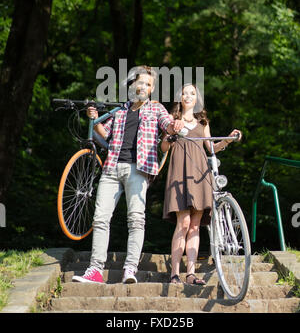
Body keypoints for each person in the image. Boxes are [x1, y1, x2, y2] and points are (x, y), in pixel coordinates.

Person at [72, 65, 184, 284]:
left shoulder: (156, 109)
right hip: (112, 167)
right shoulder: (120, 110)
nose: (144, 87)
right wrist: (93, 119)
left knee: (136, 219)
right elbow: (104, 133)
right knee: (101, 218)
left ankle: (130, 269)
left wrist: (175, 125)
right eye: (140, 82)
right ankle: (95, 270)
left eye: (148, 84)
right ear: (132, 85)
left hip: (138, 169)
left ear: (151, 90)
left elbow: (168, 126)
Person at [161, 83, 242, 285]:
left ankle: (190, 273)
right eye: (184, 93)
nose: (188, 96)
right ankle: (174, 273)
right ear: (179, 98)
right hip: (179, 173)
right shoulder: (172, 120)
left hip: (200, 175)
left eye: (192, 93)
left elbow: (211, 147)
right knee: (184, 222)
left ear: (197, 99)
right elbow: (163, 147)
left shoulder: (202, 122)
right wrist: (171, 135)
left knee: (195, 225)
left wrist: (228, 140)